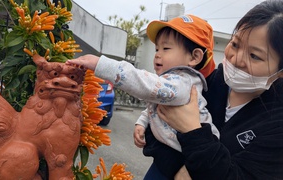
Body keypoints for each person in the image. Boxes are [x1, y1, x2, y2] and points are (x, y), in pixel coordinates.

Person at [66, 14, 220, 179]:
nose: (157, 54)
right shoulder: (170, 82)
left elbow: (147, 86)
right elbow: (154, 103)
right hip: (170, 155)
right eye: (156, 49)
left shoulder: (182, 81)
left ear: (194, 57)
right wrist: (142, 122)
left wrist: (102, 65)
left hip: (184, 159)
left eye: (166, 48)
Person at [151, 0, 283, 179]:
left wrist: (192, 130)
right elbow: (154, 126)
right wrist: (177, 169)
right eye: (235, 44)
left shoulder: (276, 122)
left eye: (254, 56)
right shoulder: (206, 81)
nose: (236, 59)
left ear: (280, 72)